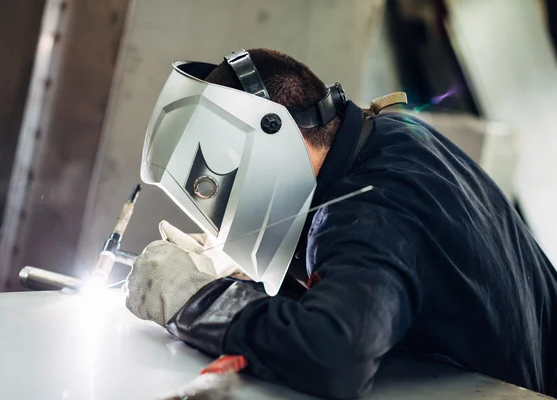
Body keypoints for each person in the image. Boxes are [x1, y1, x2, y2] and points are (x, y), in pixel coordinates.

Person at [124, 48, 557, 399]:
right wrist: (240, 272)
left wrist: (195, 299)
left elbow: (335, 353)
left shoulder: (366, 210)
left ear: (273, 135)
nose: (222, 218)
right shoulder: (393, 136)